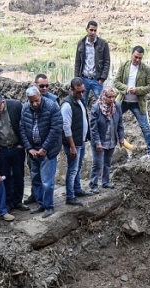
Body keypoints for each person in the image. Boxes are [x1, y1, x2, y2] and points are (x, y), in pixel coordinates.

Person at [20, 86, 62, 219]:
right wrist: (29, 148)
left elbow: (56, 129)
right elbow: (22, 129)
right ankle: (41, 203)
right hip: (33, 150)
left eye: (36, 100)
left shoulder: (52, 106)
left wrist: (45, 149)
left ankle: (49, 206)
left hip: (47, 151)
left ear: (40, 96)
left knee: (46, 181)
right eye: (31, 101)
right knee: (36, 179)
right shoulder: (25, 108)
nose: (34, 104)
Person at [113, 45, 150, 158]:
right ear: (132, 54)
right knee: (112, 120)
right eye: (136, 57)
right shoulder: (124, 66)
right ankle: (110, 145)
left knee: (145, 126)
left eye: (140, 58)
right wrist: (126, 88)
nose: (137, 60)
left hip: (138, 103)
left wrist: (137, 90)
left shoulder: (145, 69)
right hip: (122, 101)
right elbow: (116, 82)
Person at [89, 87, 125, 193]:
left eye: (113, 96)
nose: (112, 99)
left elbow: (120, 124)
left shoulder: (117, 106)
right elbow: (93, 128)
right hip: (99, 140)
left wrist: (121, 137)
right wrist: (97, 142)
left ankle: (105, 181)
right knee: (97, 163)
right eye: (109, 97)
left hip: (111, 139)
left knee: (108, 162)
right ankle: (93, 184)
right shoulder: (96, 108)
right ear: (104, 97)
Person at [61, 78, 90, 206]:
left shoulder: (80, 100)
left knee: (78, 168)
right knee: (72, 169)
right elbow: (66, 127)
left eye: (83, 91)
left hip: (80, 141)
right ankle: (70, 195)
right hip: (73, 143)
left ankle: (77, 190)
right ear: (71, 90)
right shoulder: (67, 105)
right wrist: (72, 146)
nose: (81, 94)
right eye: (78, 92)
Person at [74, 20, 110, 106]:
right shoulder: (81, 43)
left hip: (96, 79)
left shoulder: (103, 43)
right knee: (82, 104)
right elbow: (77, 62)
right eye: (91, 30)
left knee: (102, 103)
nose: (93, 32)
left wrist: (102, 79)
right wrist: (76, 78)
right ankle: (84, 119)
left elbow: (107, 62)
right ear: (86, 29)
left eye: (95, 30)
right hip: (84, 79)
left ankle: (101, 119)